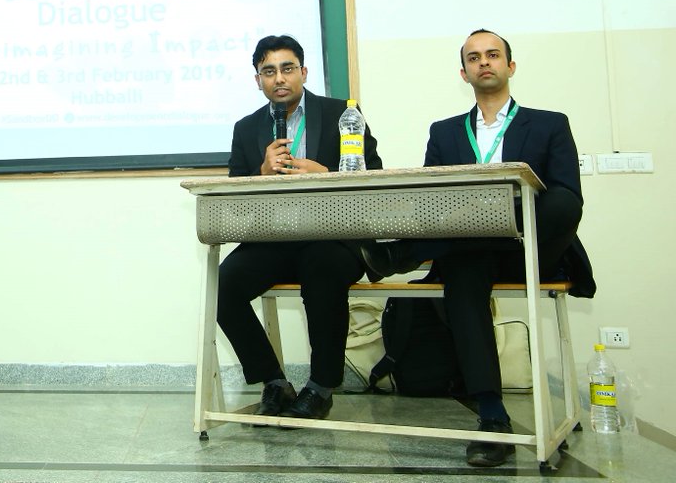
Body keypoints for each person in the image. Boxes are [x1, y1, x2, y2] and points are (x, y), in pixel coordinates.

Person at [362, 29, 595, 467]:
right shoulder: (444, 132)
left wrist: (500, 213)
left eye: (492, 55)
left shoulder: (550, 123)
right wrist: (472, 218)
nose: (484, 62)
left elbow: (568, 197)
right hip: (469, 252)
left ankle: (400, 254)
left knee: (561, 202)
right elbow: (431, 202)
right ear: (464, 73)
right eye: (474, 57)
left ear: (510, 65)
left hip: (532, 248)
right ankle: (492, 417)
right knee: (464, 276)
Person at [217, 35, 382, 421]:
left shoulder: (342, 113)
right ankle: (274, 382)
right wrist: (261, 173)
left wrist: (326, 173)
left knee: (322, 269)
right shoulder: (247, 128)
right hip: (275, 239)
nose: (279, 78)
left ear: (304, 72)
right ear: (257, 80)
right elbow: (235, 197)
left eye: (287, 68)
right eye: (268, 71)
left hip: (333, 238)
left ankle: (321, 387)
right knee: (222, 285)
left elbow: (374, 174)